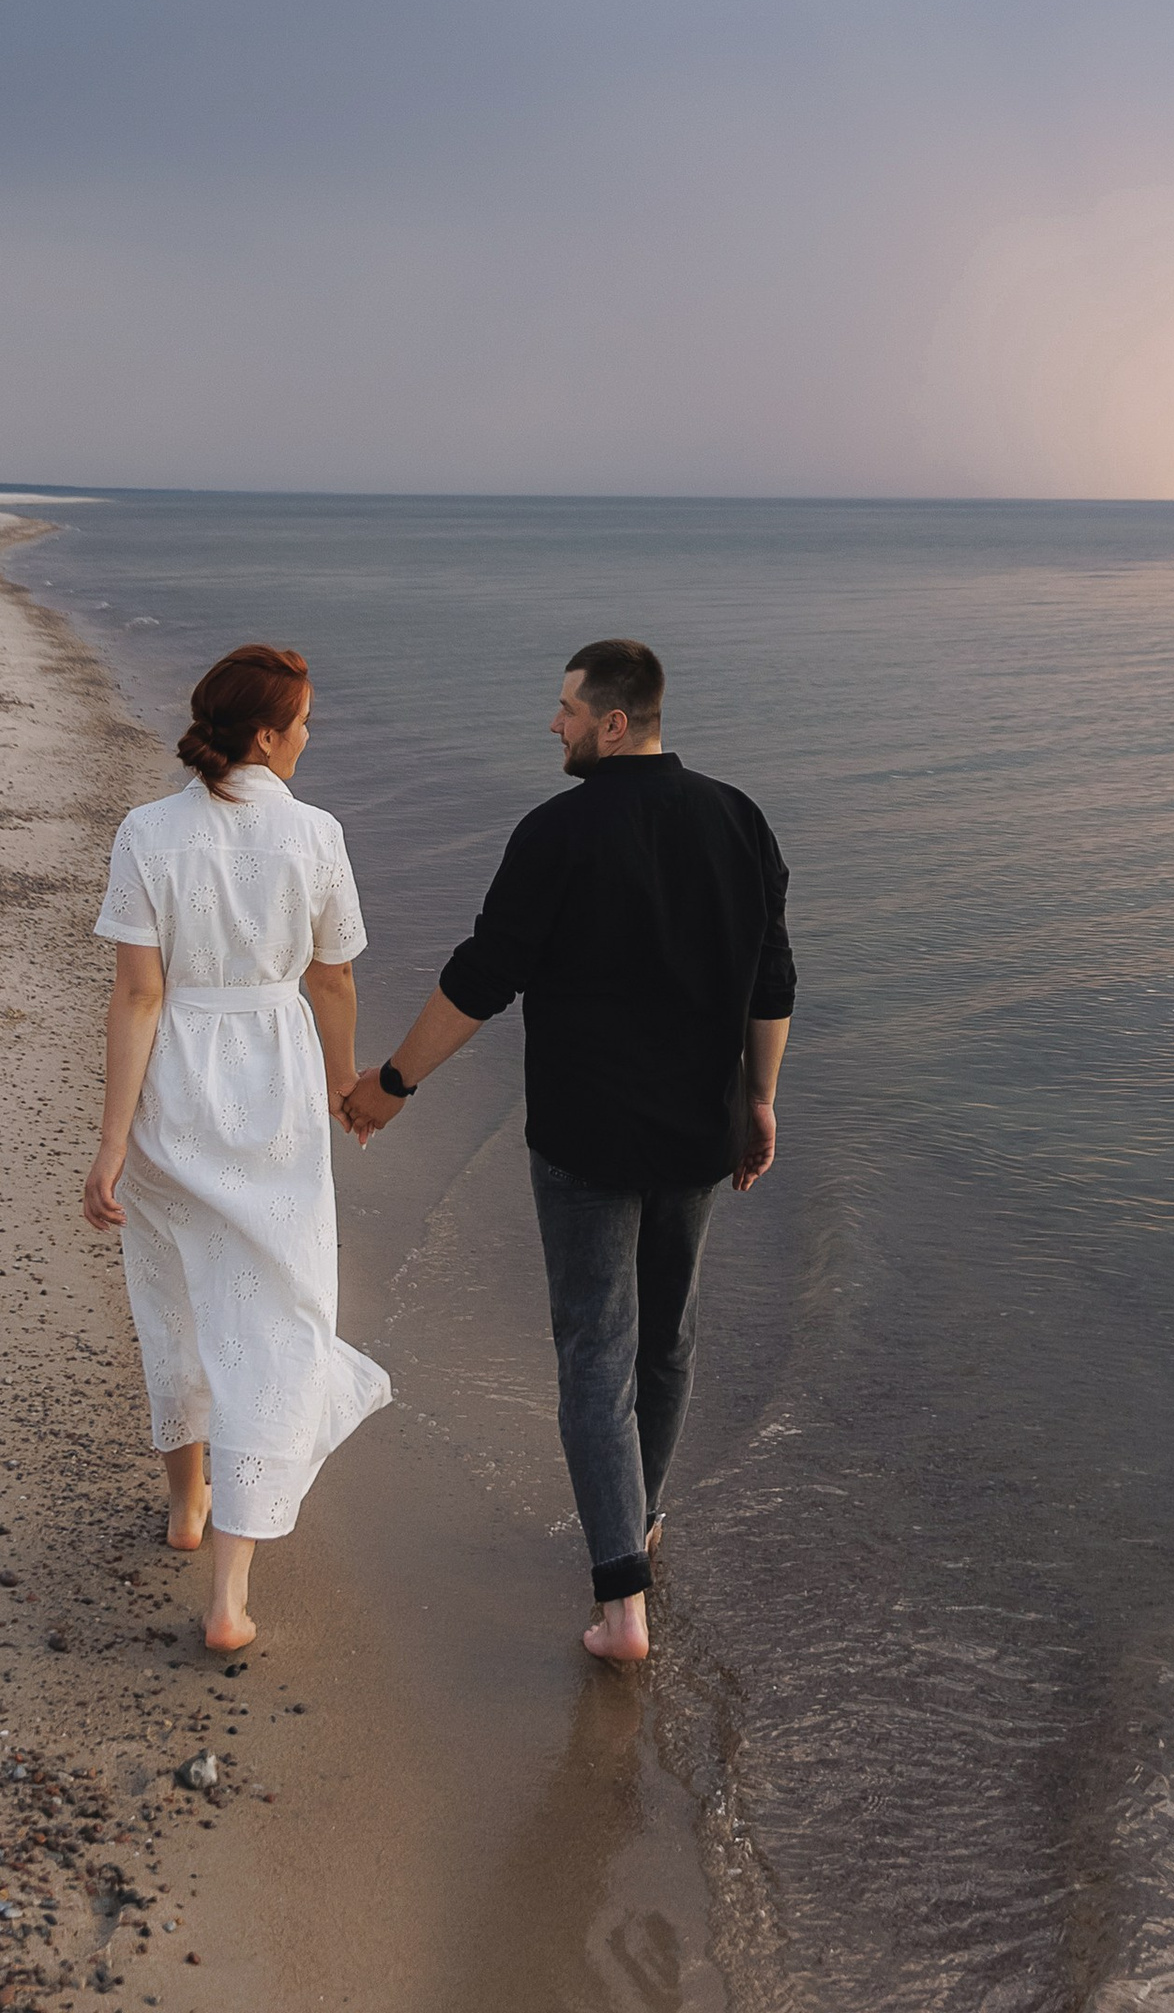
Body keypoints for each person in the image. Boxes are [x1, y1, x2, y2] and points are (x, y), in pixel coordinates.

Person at [341, 636, 793, 1667]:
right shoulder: (739, 820)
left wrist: (392, 1085)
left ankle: (620, 1602)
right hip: (695, 1130)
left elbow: (483, 976)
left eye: (566, 709)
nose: (554, 724)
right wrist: (759, 1099)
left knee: (597, 1349)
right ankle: (637, 1528)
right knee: (666, 1339)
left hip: (585, 1136)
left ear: (613, 722)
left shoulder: (557, 829)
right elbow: (772, 982)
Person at [83, 642, 389, 1654]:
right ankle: (228, 1595)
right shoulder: (315, 834)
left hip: (175, 1085)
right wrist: (347, 1085)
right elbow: (332, 980)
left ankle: (185, 1507)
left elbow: (138, 993)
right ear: (265, 734)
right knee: (277, 1317)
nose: (311, 734)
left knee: (174, 1290)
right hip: (275, 1088)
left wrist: (112, 1141)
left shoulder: (147, 831)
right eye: (302, 720)